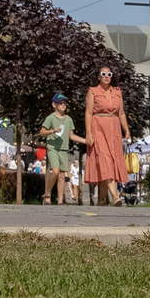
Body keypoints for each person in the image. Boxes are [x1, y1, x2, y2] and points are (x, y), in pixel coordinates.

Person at [81, 64, 128, 205]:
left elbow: (121, 113)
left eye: (109, 74)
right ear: (98, 77)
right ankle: (115, 196)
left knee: (111, 161)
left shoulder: (118, 92)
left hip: (114, 128)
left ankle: (102, 200)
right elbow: (88, 113)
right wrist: (88, 133)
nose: (106, 77)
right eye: (103, 74)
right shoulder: (93, 91)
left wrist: (127, 130)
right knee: (104, 159)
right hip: (98, 126)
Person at [39, 93, 75, 205]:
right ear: (54, 105)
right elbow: (42, 132)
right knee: (55, 171)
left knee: (62, 175)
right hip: (53, 148)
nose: (63, 105)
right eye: (60, 103)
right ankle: (47, 194)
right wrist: (52, 131)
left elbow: (72, 135)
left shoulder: (68, 119)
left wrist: (86, 140)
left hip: (63, 149)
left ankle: (60, 201)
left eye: (64, 103)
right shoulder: (50, 118)